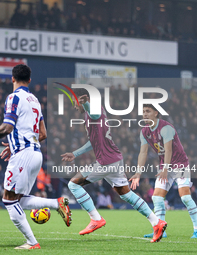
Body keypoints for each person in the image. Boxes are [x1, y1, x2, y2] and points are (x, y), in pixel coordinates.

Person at [0, 64, 71, 250]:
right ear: (30, 80)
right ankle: (56, 203)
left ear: (12, 79)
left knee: (8, 199)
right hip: (35, 154)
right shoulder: (35, 101)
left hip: (24, 154)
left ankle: (32, 242)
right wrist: (14, 143)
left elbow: (7, 127)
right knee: (18, 199)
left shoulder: (13, 97)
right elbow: (43, 133)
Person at [61, 89, 167, 243]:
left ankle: (95, 219)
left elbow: (95, 114)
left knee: (74, 184)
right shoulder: (91, 113)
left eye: (74, 100)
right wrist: (75, 154)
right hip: (115, 158)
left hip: (106, 161)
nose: (73, 104)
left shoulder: (94, 110)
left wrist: (87, 104)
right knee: (125, 194)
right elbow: (94, 141)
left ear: (83, 99)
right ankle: (156, 222)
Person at [130, 104, 197, 239]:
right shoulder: (144, 131)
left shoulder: (166, 128)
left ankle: (196, 229)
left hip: (180, 165)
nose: (145, 114)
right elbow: (143, 153)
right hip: (165, 166)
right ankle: (160, 230)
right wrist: (138, 172)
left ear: (156, 113)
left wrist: (166, 168)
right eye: (143, 112)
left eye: (148, 111)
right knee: (157, 197)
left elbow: (169, 150)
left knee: (185, 197)